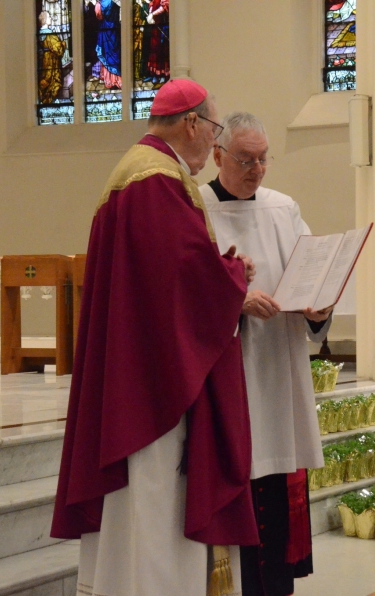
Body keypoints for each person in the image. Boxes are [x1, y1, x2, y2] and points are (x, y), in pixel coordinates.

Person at [51, 80, 260, 596]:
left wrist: (219, 273)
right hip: (154, 393)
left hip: (136, 371)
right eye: (211, 131)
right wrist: (232, 277)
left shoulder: (133, 173)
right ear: (191, 124)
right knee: (154, 501)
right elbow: (182, 278)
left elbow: (163, 276)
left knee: (138, 506)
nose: (210, 148)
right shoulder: (158, 180)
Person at [199, 112, 332, 596]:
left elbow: (311, 273)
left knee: (276, 492)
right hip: (228, 377)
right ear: (218, 156)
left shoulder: (283, 209)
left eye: (262, 159)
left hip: (279, 373)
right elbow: (185, 295)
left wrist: (320, 304)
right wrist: (234, 301)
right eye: (244, 159)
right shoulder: (197, 211)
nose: (256, 169)